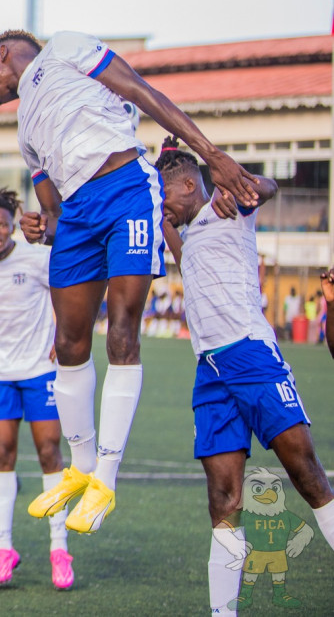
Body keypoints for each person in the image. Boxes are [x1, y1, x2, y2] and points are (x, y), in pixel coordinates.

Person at [0, 28, 259, 535]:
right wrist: (40, 226)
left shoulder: (63, 48)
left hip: (126, 187)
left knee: (122, 333)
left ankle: (106, 476)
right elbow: (53, 215)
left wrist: (212, 154)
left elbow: (140, 91)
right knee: (67, 344)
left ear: (2, 53)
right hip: (81, 214)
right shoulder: (24, 127)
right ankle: (81, 467)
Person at [154, 138, 334, 613]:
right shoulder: (186, 234)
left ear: (191, 185)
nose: (162, 207)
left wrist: (246, 187)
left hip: (252, 356)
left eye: (165, 196)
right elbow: (169, 231)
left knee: (308, 476)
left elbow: (267, 186)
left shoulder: (226, 209)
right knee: (224, 500)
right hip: (209, 371)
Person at [0, 190, 75, 590]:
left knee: (48, 453)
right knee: (2, 455)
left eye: (2, 225)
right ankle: (4, 549)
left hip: (41, 371)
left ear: (12, 227)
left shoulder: (38, 257)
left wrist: (64, 334)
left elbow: (67, 295)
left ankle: (59, 549)